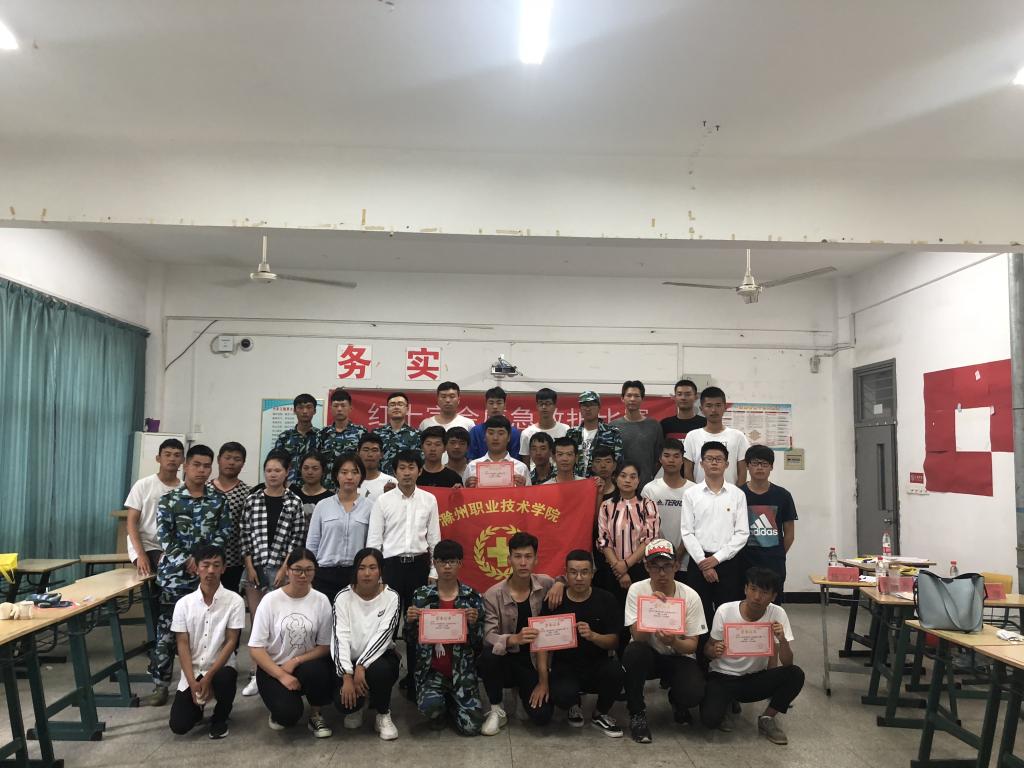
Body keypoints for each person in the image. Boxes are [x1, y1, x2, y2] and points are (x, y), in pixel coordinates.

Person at [149, 445, 231, 707]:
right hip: (175, 578)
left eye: (207, 466)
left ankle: (207, 679)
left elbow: (224, 533)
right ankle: (161, 684)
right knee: (167, 632)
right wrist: (187, 560)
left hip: (207, 577)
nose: (201, 470)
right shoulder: (169, 500)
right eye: (196, 464)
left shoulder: (218, 501)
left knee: (209, 631)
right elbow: (164, 536)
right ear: (186, 466)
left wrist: (204, 561)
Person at [366, 449, 441, 699]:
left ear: (419, 471)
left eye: (411, 467)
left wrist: (434, 571)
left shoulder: (429, 500)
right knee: (385, 624)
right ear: (395, 472)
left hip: (419, 567)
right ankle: (379, 681)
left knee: (416, 626)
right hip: (390, 568)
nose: (407, 473)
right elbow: (374, 541)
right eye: (402, 468)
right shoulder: (383, 501)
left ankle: (414, 680)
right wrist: (376, 575)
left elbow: (434, 539)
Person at [700, 567, 804, 745]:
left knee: (795, 674)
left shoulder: (777, 613)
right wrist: (714, 650)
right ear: (745, 589)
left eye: (764, 592)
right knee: (710, 720)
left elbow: (787, 663)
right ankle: (727, 702)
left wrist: (782, 640)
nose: (757, 597)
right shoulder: (725, 610)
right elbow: (707, 649)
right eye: (753, 589)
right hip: (723, 676)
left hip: (755, 677)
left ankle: (767, 718)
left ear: (773, 596)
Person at [621, 539, 708, 744]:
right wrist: (650, 608)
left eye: (667, 566)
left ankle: (678, 701)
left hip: (678, 656)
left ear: (676, 566)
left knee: (693, 693)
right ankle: (637, 713)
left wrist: (673, 641)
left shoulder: (690, 596)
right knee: (633, 652)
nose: (661, 573)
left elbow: (692, 645)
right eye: (655, 566)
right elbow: (638, 637)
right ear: (646, 567)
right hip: (648, 654)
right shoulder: (637, 590)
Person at [531, 550, 624, 737]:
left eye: (584, 572)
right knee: (562, 695)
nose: (579, 578)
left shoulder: (606, 599)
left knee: (616, 672)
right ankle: (573, 705)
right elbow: (541, 644)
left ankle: (600, 713)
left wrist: (593, 636)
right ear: (566, 573)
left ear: (592, 573)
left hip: (597, 664)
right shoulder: (554, 600)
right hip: (565, 666)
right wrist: (543, 681)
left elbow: (614, 642)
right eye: (573, 572)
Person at [480, 531, 564, 735]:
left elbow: (569, 578)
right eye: (517, 556)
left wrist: (560, 583)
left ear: (536, 559)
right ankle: (496, 708)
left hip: (534, 662)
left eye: (528, 556)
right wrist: (513, 639)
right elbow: (488, 635)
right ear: (509, 559)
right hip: (506, 660)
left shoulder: (546, 584)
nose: (523, 562)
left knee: (542, 717)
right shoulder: (493, 594)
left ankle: (521, 694)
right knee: (488, 656)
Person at [248, 548, 336, 738]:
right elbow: (255, 648)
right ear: (287, 570)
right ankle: (278, 706)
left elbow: (325, 646)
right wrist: (281, 675)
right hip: (273, 668)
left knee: (318, 669)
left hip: (305, 664)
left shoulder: (321, 600)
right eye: (297, 569)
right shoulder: (270, 600)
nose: (303, 575)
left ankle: (316, 714)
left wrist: (296, 661)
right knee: (287, 717)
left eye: (308, 570)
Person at [240, 450, 308, 696]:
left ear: (287, 472)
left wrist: (284, 568)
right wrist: (249, 566)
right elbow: (244, 534)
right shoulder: (253, 500)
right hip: (255, 568)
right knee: (258, 623)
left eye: (277, 470)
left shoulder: (294, 502)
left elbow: (297, 538)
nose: (272, 474)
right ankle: (256, 674)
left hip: (282, 569)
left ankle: (280, 671)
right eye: (268, 470)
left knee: (280, 624)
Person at [404, 540, 485, 735]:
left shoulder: (472, 597)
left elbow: (479, 644)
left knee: (472, 728)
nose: (447, 566)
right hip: (432, 672)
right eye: (442, 561)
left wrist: (474, 624)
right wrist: (410, 621)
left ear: (460, 564)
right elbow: (410, 639)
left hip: (462, 673)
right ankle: (441, 707)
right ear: (435, 563)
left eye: (452, 561)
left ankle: (453, 703)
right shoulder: (421, 596)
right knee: (430, 708)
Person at [168, 544, 244, 739]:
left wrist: (208, 677)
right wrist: (192, 682)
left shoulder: (235, 601)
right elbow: (182, 644)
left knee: (225, 677)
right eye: (205, 565)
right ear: (196, 568)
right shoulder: (183, 604)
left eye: (216, 565)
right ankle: (198, 708)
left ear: (223, 568)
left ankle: (220, 717)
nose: (210, 570)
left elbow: (231, 641)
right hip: (193, 670)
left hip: (220, 667)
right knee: (179, 725)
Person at [680, 441, 749, 639]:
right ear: (701, 463)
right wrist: (704, 562)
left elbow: (742, 533)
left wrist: (716, 559)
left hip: (728, 563)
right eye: (709, 459)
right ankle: (701, 654)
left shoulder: (737, 494)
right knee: (698, 615)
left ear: (727, 464)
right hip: (699, 563)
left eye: (719, 459)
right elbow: (687, 532)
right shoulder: (691, 494)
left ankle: (725, 655)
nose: (714, 463)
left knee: (727, 612)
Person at [332, 548, 402, 741]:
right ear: (355, 570)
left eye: (373, 567)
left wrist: (362, 665)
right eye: (362, 568)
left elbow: (384, 635)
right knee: (343, 703)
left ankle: (383, 713)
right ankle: (357, 706)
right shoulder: (342, 597)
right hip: (350, 661)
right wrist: (347, 674)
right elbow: (340, 637)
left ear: (380, 571)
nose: (367, 573)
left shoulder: (391, 597)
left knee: (381, 671)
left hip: (380, 657)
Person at [597, 462, 660, 650]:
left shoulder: (648, 505)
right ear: (615, 478)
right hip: (612, 569)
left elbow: (650, 539)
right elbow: (603, 540)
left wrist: (626, 565)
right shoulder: (606, 506)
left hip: (640, 570)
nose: (628, 480)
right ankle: (618, 656)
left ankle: (638, 654)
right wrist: (619, 569)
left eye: (633, 476)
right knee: (615, 614)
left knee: (639, 614)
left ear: (639, 481)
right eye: (623, 475)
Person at [306, 453, 372, 603]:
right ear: (336, 475)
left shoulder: (370, 507)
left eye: (354, 472)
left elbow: (371, 544)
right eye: (344, 472)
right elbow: (312, 544)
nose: (349, 477)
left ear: (361, 476)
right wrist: (310, 573)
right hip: (324, 574)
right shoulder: (323, 505)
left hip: (356, 575)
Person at [739, 445, 797, 598]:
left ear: (771, 467)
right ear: (747, 466)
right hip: (744, 562)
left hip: (773, 563)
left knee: (772, 604)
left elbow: (789, 533)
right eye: (755, 463)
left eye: (764, 464)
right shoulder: (738, 494)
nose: (760, 467)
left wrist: (777, 554)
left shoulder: (783, 495)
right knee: (744, 603)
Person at [125, 438, 184, 577]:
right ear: (158, 458)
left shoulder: (184, 489)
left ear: (183, 460)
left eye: (177, 455)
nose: (172, 459)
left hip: (173, 546)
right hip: (146, 545)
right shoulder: (143, 485)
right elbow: (131, 523)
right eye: (167, 454)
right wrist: (141, 554)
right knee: (168, 568)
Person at [641, 439, 695, 581]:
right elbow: (647, 527)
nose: (671, 460)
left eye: (676, 456)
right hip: (656, 561)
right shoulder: (649, 489)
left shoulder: (693, 490)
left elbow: (694, 527)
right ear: (660, 459)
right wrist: (663, 552)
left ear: (682, 460)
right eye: (667, 455)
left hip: (686, 561)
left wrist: (678, 554)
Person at [206, 442, 250, 595]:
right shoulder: (204, 488)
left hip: (234, 561)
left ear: (243, 463)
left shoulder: (248, 493)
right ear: (219, 459)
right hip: (205, 560)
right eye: (227, 457)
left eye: (237, 459)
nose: (231, 462)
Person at [683, 386, 750, 486]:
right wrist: (694, 492)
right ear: (701, 409)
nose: (714, 410)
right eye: (709, 406)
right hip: (699, 494)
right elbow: (688, 471)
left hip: (730, 494)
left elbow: (742, 472)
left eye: (718, 405)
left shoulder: (738, 436)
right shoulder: (692, 436)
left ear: (725, 407)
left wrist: (736, 492)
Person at [611, 380, 663, 488]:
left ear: (642, 399)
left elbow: (659, 458)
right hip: (620, 485)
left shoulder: (654, 426)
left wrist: (649, 476)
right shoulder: (613, 426)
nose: (632, 399)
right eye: (629, 395)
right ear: (622, 398)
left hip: (646, 485)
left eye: (636, 396)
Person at [566, 391, 622, 477]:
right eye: (584, 405)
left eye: (591, 405)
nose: (588, 409)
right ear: (580, 408)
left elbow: (618, 461)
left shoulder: (612, 432)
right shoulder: (572, 433)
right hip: (576, 481)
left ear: (599, 407)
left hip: (602, 481)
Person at [320, 388, 366, 491]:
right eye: (336, 406)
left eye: (343, 405)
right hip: (327, 488)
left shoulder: (361, 432)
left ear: (350, 408)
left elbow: (364, 462)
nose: (339, 409)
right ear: (331, 408)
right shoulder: (323, 433)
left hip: (353, 486)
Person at [464, 415, 530, 487]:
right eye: (491, 433)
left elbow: (530, 494)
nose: (495, 438)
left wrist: (522, 489)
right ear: (484, 437)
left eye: (501, 433)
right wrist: (467, 489)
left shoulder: (521, 468)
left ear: (508, 437)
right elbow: (463, 493)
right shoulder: (472, 467)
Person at [274, 393, 321, 486]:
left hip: (313, 487)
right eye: (300, 407)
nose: (305, 411)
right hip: (289, 487)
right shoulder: (284, 437)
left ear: (315, 411)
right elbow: (277, 464)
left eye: (309, 407)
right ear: (294, 411)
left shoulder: (321, 436)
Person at [468, 387, 522, 461]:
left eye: (499, 403)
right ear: (486, 405)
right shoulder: (475, 431)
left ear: (505, 405)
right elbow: (471, 458)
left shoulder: (514, 433)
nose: (495, 407)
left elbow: (516, 460)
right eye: (491, 403)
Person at [374, 391, 421, 476]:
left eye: (400, 404)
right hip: (381, 481)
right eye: (392, 405)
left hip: (406, 480)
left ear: (407, 409)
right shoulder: (376, 434)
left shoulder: (417, 435)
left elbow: (419, 462)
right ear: (387, 409)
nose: (396, 407)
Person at [518, 388, 569, 465]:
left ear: (554, 405)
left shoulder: (566, 430)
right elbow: (526, 464)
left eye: (548, 403)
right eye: (541, 403)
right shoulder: (527, 433)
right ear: (536, 405)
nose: (544, 407)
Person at [290, 452, 333, 522]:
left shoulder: (331, 498)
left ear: (323, 471)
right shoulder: (293, 494)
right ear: (300, 470)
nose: (310, 472)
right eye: (306, 468)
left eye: (315, 468)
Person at [356, 432, 396, 502]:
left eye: (374, 450)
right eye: (366, 450)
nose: (370, 454)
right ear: (358, 453)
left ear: (381, 455)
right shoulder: (349, 481)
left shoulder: (392, 483)